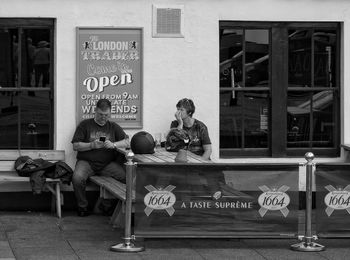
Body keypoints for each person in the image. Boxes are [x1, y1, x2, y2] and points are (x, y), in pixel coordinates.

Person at [71, 99, 129, 217]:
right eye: (100, 114)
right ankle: (83, 207)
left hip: (106, 164)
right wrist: (92, 145)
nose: (103, 117)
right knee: (77, 178)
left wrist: (114, 145)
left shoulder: (113, 126)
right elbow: (75, 146)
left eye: (106, 115)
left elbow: (127, 142)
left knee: (125, 178)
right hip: (87, 162)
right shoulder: (85, 124)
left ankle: (106, 205)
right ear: (95, 111)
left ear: (110, 113)